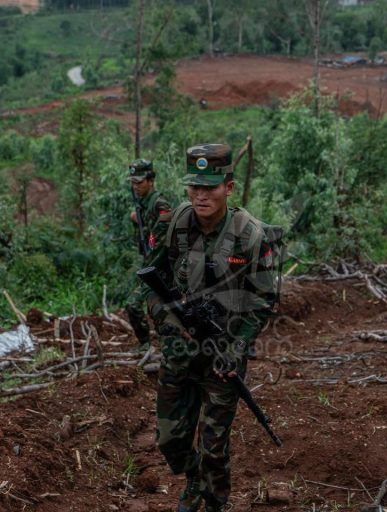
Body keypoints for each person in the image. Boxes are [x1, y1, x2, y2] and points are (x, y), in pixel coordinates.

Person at [148, 144, 277, 512]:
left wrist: (237, 348)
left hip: (223, 355)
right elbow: (151, 282)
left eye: (211, 187)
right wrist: (170, 323)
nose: (201, 195)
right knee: (169, 440)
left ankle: (214, 502)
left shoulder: (250, 235)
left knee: (213, 448)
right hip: (180, 351)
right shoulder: (176, 223)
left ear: (229, 188)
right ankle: (194, 481)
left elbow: (264, 299)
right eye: (195, 187)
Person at [125, 159, 172, 352]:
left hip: (160, 267)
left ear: (151, 181)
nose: (135, 186)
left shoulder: (160, 204)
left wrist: (147, 272)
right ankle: (152, 346)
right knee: (156, 311)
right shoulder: (144, 204)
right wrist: (137, 220)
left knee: (137, 305)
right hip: (151, 264)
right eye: (133, 182)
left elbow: (161, 244)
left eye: (139, 182)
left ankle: (150, 346)